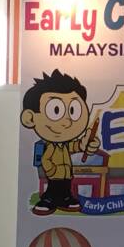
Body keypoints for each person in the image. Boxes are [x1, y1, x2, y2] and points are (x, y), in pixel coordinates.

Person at [20, 69, 100, 215]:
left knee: (65, 191)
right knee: (53, 190)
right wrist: (52, 171)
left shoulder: (64, 145)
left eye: (74, 111)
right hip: (55, 176)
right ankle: (48, 200)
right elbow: (45, 159)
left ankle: (65, 199)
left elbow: (74, 146)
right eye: (56, 111)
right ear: (30, 118)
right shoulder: (49, 145)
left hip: (66, 176)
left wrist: (84, 144)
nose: (68, 121)